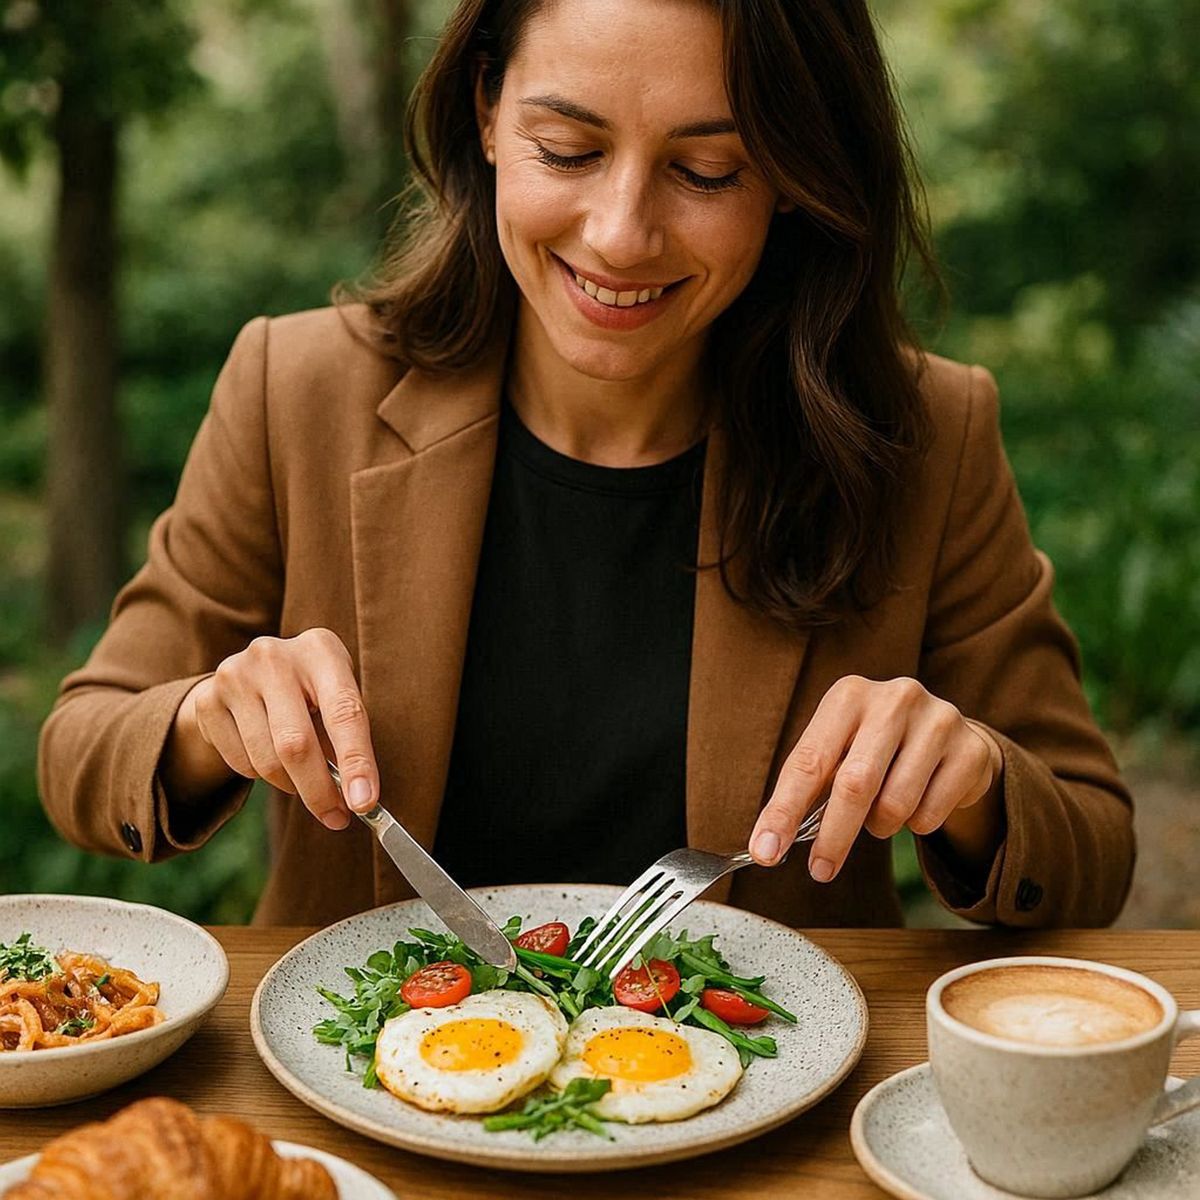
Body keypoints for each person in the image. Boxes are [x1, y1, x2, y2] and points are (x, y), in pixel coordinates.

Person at [37, 0, 1134, 929]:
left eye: (707, 171)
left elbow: (1092, 850)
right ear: (486, 112)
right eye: (567, 150)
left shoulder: (929, 432)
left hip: (770, 1137)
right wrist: (205, 722)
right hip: (368, 1104)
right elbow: (83, 753)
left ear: (795, 174)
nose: (619, 234)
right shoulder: (297, 387)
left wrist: (978, 784)